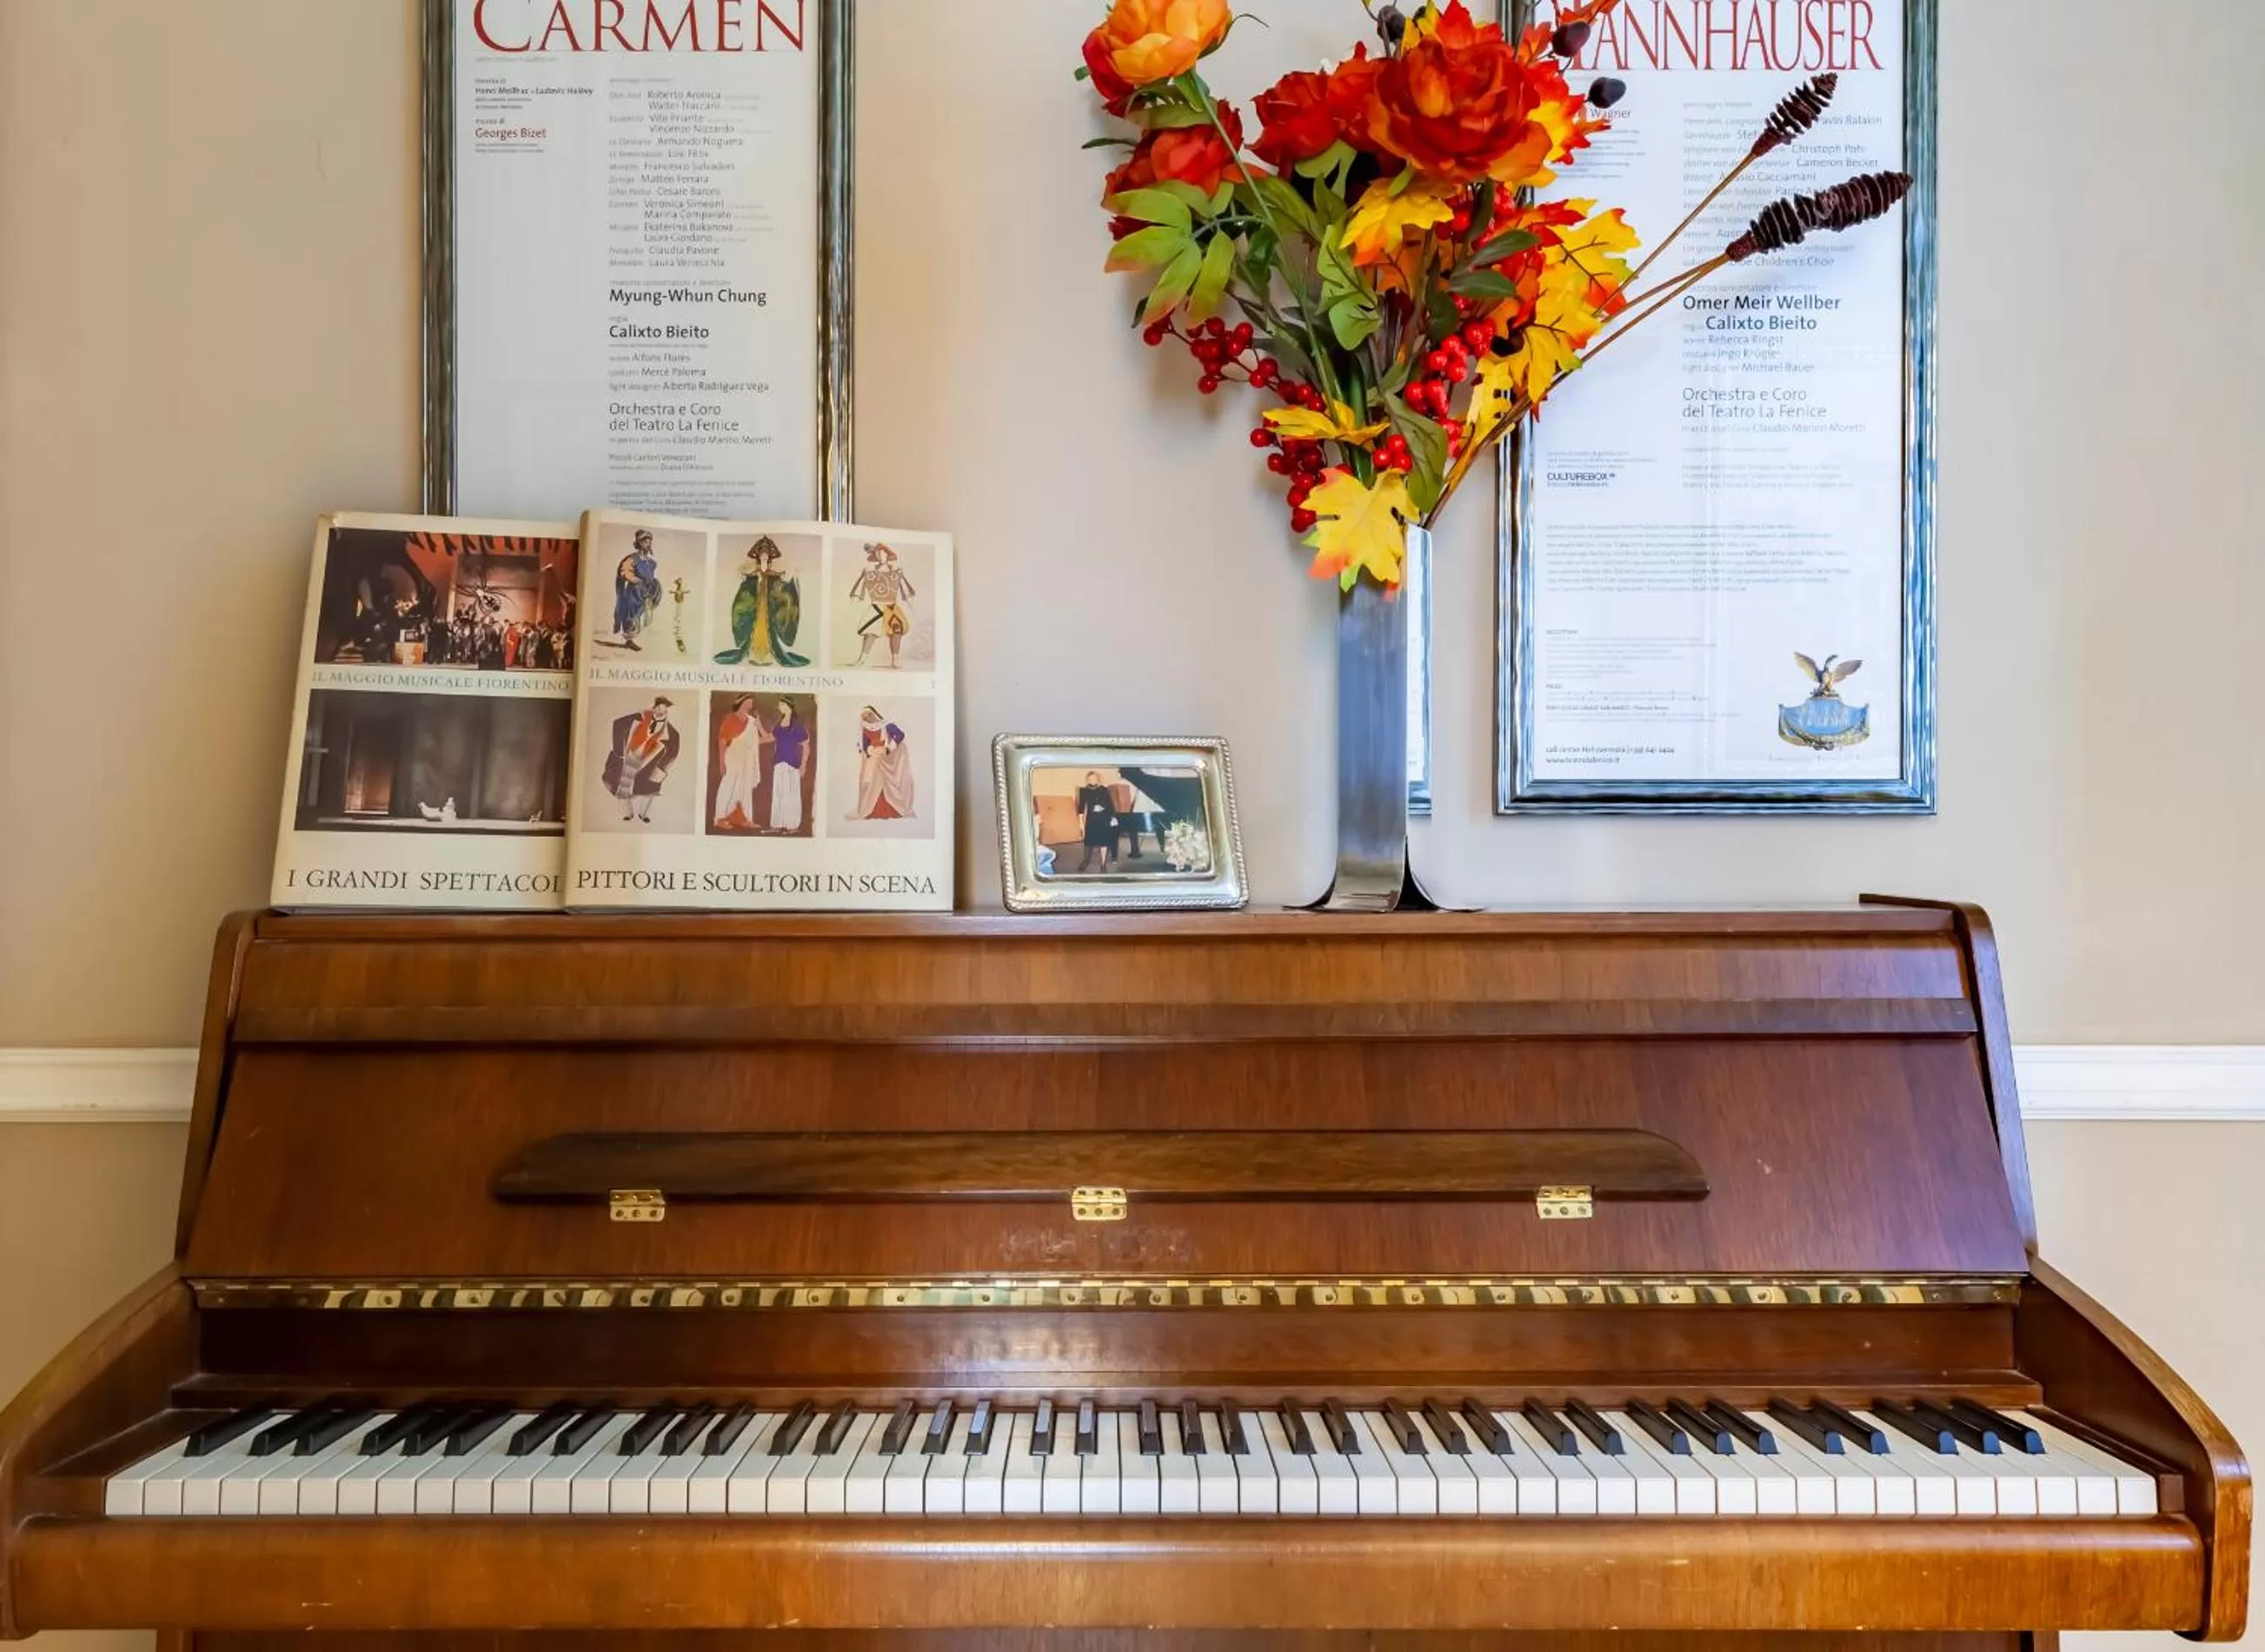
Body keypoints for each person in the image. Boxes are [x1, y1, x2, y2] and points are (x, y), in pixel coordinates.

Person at [715, 537, 807, 667]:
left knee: (767, 629)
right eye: (762, 555)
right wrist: (746, 580)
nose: (764, 556)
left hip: (768, 605)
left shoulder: (772, 573)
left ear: (769, 557)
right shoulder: (755, 572)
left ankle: (767, 655)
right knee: (756, 628)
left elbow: (780, 583)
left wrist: (792, 582)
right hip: (757, 605)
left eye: (766, 555)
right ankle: (753, 655)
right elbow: (747, 580)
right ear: (759, 557)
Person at [602, 697, 680, 823]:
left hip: (650, 763)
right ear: (653, 708)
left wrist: (661, 769)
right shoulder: (640, 716)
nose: (661, 712)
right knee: (622, 785)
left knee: (649, 789)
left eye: (665, 710)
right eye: (659, 708)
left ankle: (643, 814)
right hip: (631, 755)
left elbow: (673, 752)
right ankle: (628, 813)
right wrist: (619, 752)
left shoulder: (671, 732)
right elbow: (618, 724)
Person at [848, 543, 917, 668]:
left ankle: (895, 660)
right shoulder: (869, 572)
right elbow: (860, 588)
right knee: (870, 633)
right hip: (877, 607)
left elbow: (905, 591)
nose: (884, 560)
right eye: (879, 556)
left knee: (896, 632)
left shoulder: (896, 572)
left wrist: (881, 548)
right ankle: (862, 659)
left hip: (892, 607)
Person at [851, 706, 916, 820]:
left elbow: (900, 735)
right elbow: (865, 745)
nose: (868, 719)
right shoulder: (865, 729)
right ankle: (873, 810)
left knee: (888, 784)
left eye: (869, 715)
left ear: (874, 714)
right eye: (865, 717)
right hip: (874, 759)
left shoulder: (887, 726)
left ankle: (891, 809)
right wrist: (870, 749)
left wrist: (890, 748)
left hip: (886, 758)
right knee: (873, 783)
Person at [711, 694, 764, 832]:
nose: (752, 703)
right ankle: (720, 819)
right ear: (742, 702)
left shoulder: (752, 721)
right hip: (733, 758)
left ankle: (744, 819)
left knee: (745, 788)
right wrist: (722, 763)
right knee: (728, 786)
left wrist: (760, 727)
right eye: (749, 701)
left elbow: (758, 741)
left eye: (752, 701)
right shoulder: (731, 719)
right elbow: (722, 741)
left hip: (746, 760)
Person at [611, 530, 662, 650]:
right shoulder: (631, 559)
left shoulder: (651, 562)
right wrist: (638, 580)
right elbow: (624, 573)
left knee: (640, 615)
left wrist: (653, 585)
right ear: (639, 543)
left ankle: (632, 639)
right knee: (632, 615)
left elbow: (650, 576)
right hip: (634, 592)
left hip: (645, 592)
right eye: (645, 542)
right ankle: (629, 640)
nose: (648, 544)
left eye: (649, 542)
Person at [767, 700, 809, 833]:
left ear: (789, 706)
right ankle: (777, 825)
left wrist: (803, 766)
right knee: (779, 794)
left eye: (782, 704)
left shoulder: (798, 726)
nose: (779, 707)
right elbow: (769, 737)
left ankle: (792, 826)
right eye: (779, 705)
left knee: (791, 794)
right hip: (779, 762)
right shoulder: (779, 725)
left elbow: (806, 747)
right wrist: (758, 726)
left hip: (792, 764)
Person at [1075, 771, 1118, 872]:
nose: (1092, 780)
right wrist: (1081, 823)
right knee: (1088, 842)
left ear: (1097, 779)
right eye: (1090, 779)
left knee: (1104, 842)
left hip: (1104, 818)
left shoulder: (1104, 790)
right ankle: (1085, 861)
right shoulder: (1084, 791)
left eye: (1094, 778)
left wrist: (1111, 816)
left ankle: (1103, 864)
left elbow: (1110, 805)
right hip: (1091, 819)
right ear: (1087, 780)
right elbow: (1081, 808)